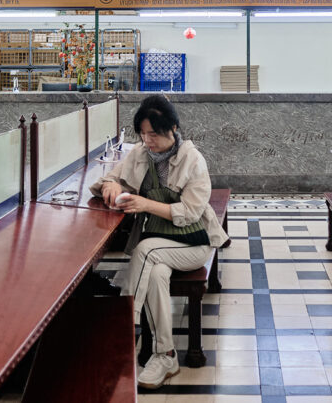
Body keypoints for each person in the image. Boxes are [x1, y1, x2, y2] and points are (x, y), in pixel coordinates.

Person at [90, 95, 229, 390]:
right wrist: (112, 185)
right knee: (154, 274)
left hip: (193, 242)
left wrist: (144, 204)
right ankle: (165, 355)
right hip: (159, 246)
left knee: (143, 250)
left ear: (173, 129)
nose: (147, 140)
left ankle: (122, 326)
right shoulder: (140, 154)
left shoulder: (193, 160)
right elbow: (109, 179)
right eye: (143, 134)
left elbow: (190, 213)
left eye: (153, 133)